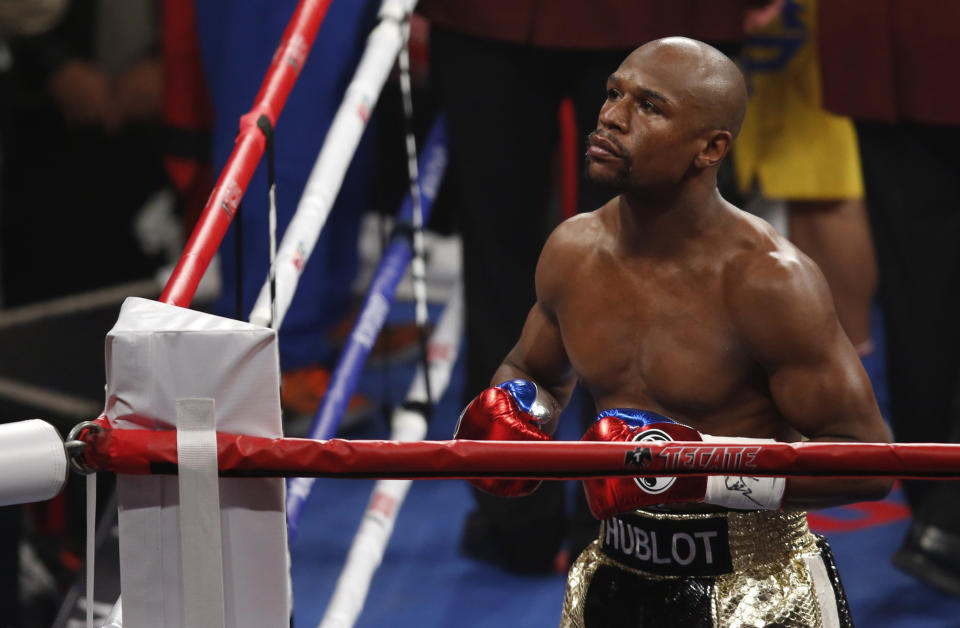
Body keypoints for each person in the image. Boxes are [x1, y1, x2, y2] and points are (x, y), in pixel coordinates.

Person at [454, 37, 892, 626]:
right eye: (613, 93)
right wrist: (517, 407)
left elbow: (867, 463)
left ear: (710, 148)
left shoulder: (768, 282)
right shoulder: (573, 251)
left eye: (650, 107)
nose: (610, 116)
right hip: (614, 571)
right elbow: (534, 370)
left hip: (751, 586)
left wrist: (699, 472)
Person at [418, 0, 778, 574]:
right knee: (624, 261)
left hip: (502, 22)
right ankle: (611, 514)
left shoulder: (784, 280)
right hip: (540, 21)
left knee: (630, 257)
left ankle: (554, 521)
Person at [817, 0, 960, 595]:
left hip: (887, 40)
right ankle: (946, 514)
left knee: (917, 284)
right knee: (916, 284)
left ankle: (938, 507)